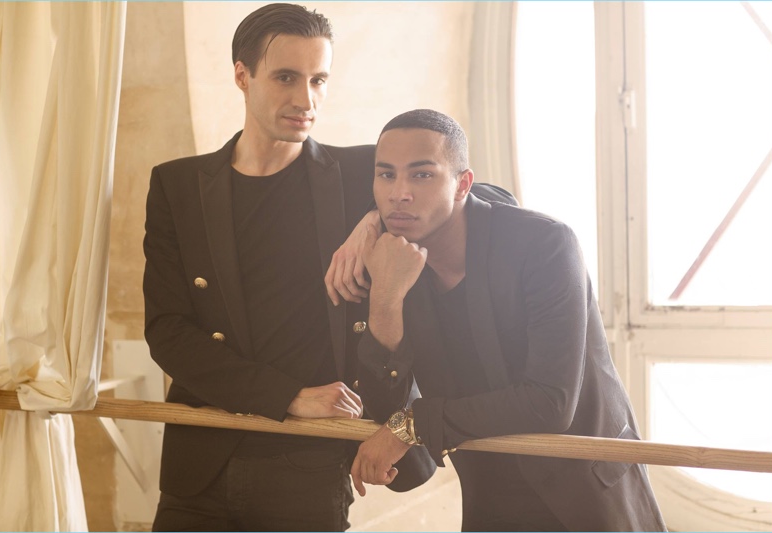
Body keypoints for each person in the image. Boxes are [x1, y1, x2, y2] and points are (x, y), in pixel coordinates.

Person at [143, 5, 514, 531]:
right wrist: (287, 397)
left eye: (319, 79)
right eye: (286, 78)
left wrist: (371, 217)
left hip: (309, 468)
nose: (306, 99)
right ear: (241, 75)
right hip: (200, 463)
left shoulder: (362, 171)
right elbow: (166, 332)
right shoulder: (177, 186)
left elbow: (488, 198)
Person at [346, 109, 667, 531]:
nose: (398, 193)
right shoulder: (392, 262)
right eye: (386, 176)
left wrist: (410, 425)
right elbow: (389, 414)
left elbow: (550, 402)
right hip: (491, 496)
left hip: (587, 493)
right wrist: (385, 302)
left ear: (463, 184)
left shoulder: (546, 244)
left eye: (422, 175)